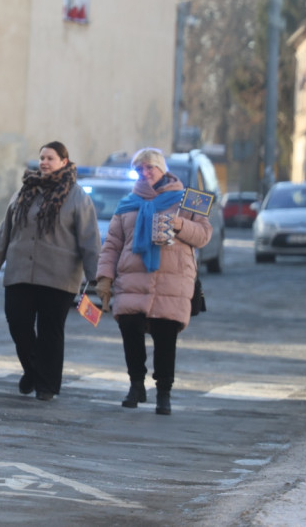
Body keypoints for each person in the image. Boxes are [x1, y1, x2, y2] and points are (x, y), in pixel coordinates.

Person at [94, 147, 212, 415]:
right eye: (139, 169)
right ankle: (136, 385)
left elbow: (205, 235)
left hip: (172, 282)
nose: (145, 173)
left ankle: (163, 392)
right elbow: (112, 244)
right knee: (130, 329)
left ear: (162, 169)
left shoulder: (191, 198)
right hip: (132, 279)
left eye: (150, 167)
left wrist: (179, 225)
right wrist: (104, 278)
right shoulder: (127, 203)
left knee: (165, 335)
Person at [0, 141, 100, 401]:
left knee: (50, 332)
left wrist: (96, 278)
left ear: (64, 162)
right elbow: (5, 231)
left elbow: (90, 240)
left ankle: (47, 385)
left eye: (50, 158)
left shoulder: (77, 196)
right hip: (20, 272)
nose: (44, 162)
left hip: (59, 277)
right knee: (18, 323)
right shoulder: (24, 191)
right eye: (42, 158)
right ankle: (32, 370)